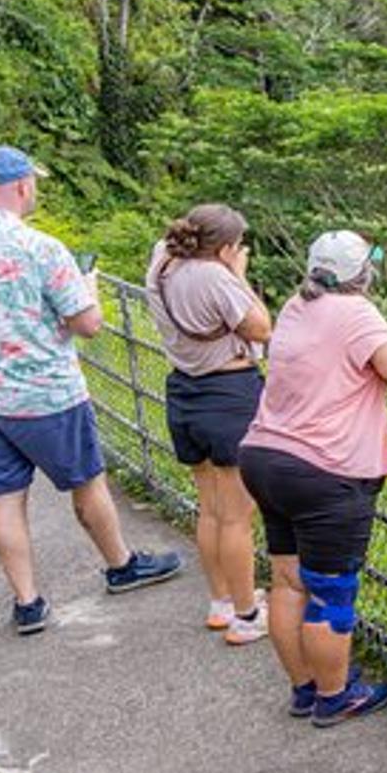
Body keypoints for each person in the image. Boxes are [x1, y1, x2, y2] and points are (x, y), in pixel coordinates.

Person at [0, 145, 182, 633]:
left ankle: (28, 602)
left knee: (5, 495)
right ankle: (121, 564)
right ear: (22, 185)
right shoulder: (41, 248)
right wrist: (88, 285)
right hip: (43, 394)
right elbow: (88, 324)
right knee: (86, 482)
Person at [238, 230, 387, 728]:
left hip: (266, 455)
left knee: (286, 581)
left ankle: (306, 688)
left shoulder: (298, 306)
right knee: (330, 591)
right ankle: (335, 696)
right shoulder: (354, 311)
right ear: (361, 274)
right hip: (324, 469)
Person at [145, 204, 272, 644]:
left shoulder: (161, 259)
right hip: (227, 393)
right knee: (237, 516)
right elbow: (261, 328)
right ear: (224, 248)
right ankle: (246, 614)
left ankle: (221, 602)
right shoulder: (215, 277)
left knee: (210, 507)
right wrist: (237, 274)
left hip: (183, 390)